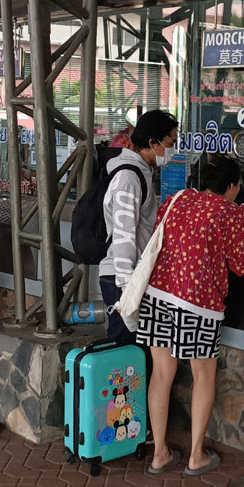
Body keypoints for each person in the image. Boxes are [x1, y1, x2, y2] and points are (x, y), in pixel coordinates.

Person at [140, 157, 244, 476]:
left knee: (161, 373)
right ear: (231, 186)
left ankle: (160, 453)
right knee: (203, 374)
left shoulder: (175, 200)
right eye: (237, 188)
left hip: (158, 296)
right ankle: (196, 456)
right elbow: (242, 264)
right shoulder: (227, 211)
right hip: (197, 303)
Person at [98, 110, 178, 343]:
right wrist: (127, 290)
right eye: (169, 143)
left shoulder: (142, 173)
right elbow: (124, 236)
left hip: (131, 278)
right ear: (152, 142)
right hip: (122, 279)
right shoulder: (129, 178)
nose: (172, 151)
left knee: (135, 360)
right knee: (125, 361)